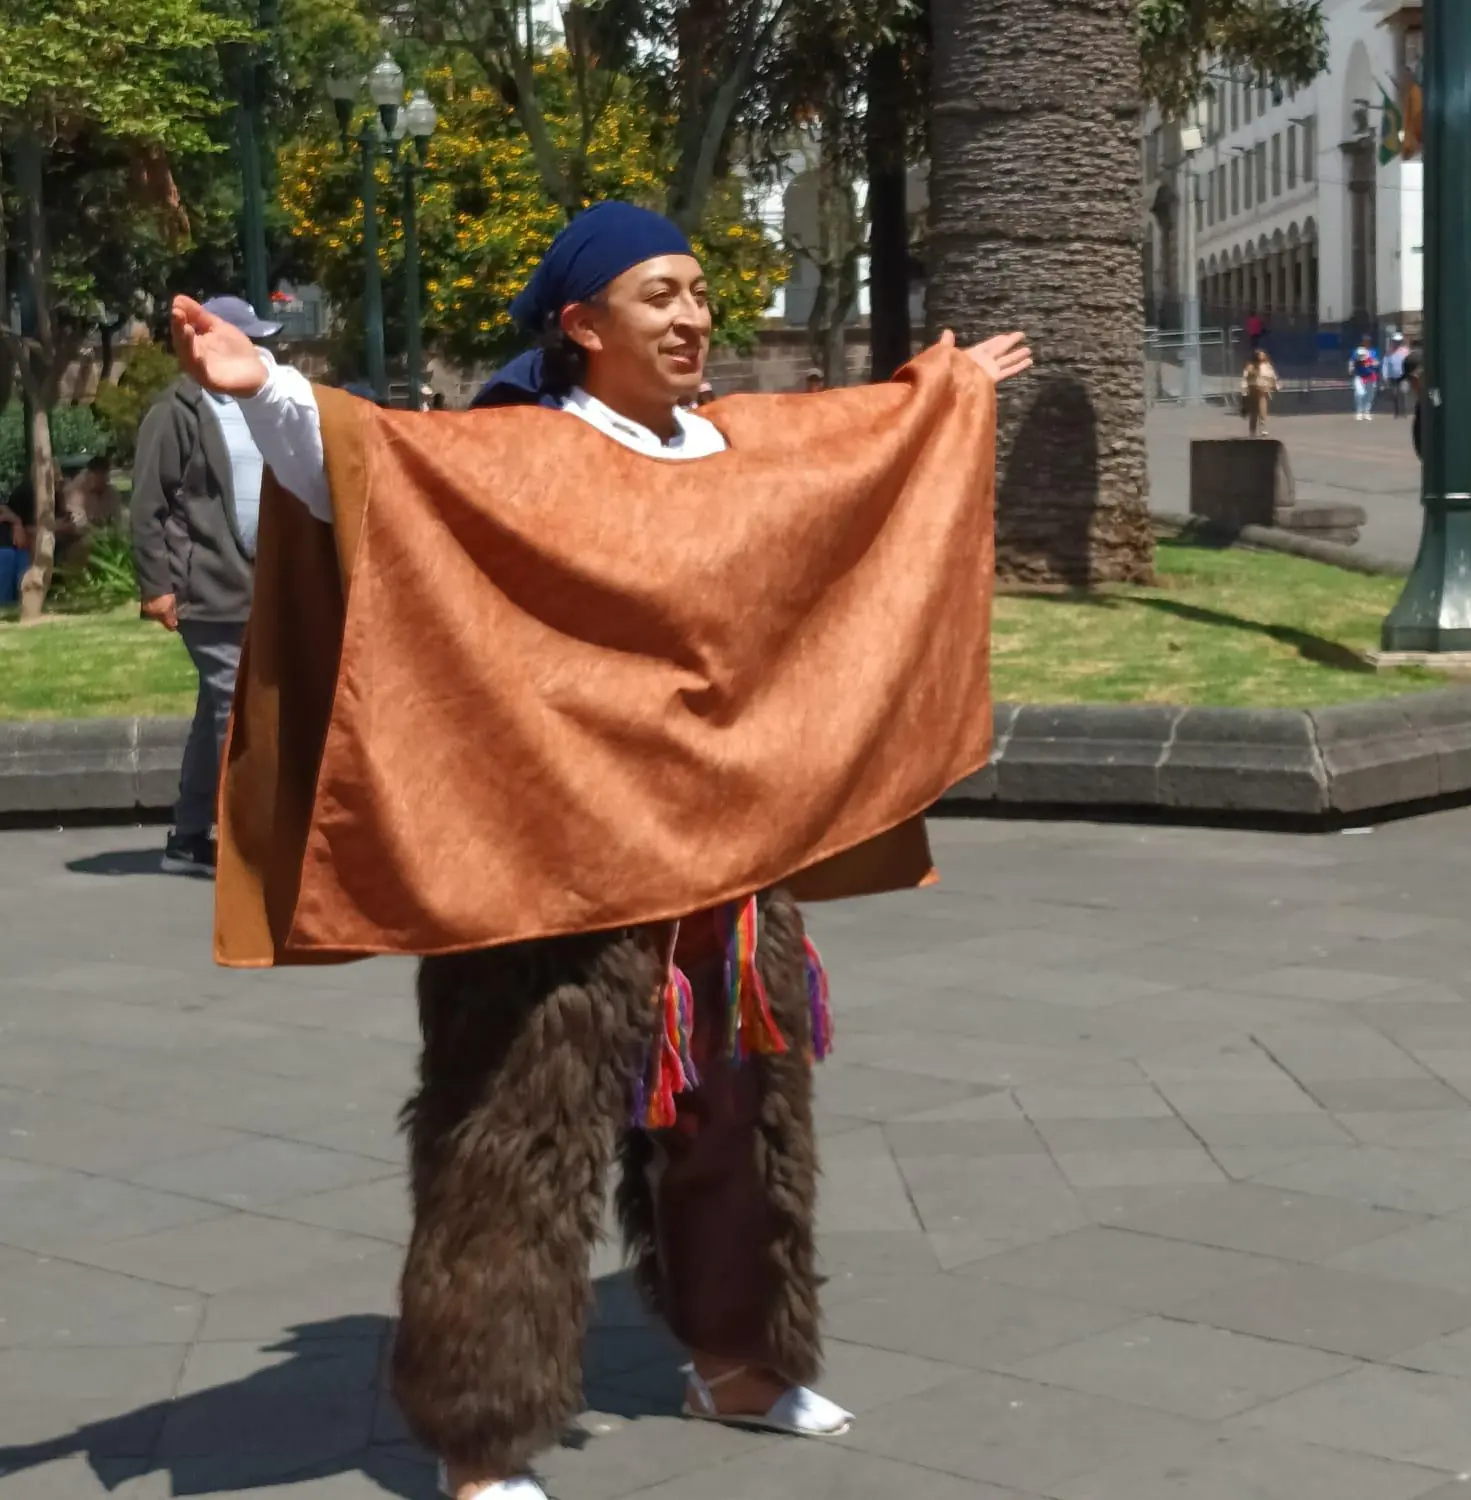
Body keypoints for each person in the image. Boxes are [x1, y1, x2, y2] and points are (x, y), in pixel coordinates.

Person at [171, 201, 1031, 1500]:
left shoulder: (733, 445)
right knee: (516, 1145)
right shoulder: (516, 455)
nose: (692, 317)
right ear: (581, 325)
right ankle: (480, 1439)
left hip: (723, 876)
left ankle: (739, 1359)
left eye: (697, 292)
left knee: (738, 1124)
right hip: (543, 871)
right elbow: (371, 466)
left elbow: (857, 441)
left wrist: (948, 392)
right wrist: (271, 389)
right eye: (659, 297)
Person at [132, 294, 283, 876]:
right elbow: (147, 504)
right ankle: (248, 837)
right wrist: (157, 586)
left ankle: (189, 836)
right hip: (206, 583)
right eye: (244, 336)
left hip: (255, 580)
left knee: (214, 710)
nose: (257, 348)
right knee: (237, 707)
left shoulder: (258, 401)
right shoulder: (175, 411)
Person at [1241, 348, 1279, 437]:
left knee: (1263, 411)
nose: (1261, 357)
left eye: (1263, 355)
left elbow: (1272, 377)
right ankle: (1252, 431)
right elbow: (1245, 378)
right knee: (1253, 412)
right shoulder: (1250, 366)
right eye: (1259, 355)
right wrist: (1244, 390)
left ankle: (1263, 429)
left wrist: (1275, 386)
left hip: (1263, 390)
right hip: (1253, 389)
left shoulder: (1267, 366)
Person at [1350, 336, 1380, 421]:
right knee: (1360, 393)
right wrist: (1351, 368)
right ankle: (1359, 412)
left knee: (1370, 395)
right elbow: (1352, 361)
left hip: (1370, 376)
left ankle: (1367, 412)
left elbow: (1377, 362)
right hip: (1359, 376)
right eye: (1364, 341)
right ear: (1362, 342)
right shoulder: (1357, 351)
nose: (1366, 343)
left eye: (1368, 341)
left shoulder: (1373, 351)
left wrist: (1373, 363)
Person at [1383, 335, 1411, 418]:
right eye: (1395, 341)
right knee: (1395, 394)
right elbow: (1385, 364)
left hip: (1403, 375)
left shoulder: (1405, 351)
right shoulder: (1389, 352)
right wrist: (1385, 375)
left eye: (1399, 341)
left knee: (1403, 392)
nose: (1397, 343)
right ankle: (1397, 412)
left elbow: (1409, 362)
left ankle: (1404, 411)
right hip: (1393, 376)